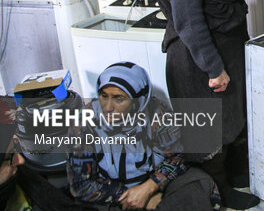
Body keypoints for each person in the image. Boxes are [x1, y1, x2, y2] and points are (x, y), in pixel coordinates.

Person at [156, 0, 259, 210]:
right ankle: (215, 189)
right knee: (206, 132)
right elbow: (187, 18)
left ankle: (231, 177)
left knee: (229, 120)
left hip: (222, 48)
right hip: (197, 58)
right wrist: (214, 68)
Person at [66, 62, 217, 210]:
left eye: (119, 99)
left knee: (200, 183)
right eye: (103, 96)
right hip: (110, 192)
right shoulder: (83, 123)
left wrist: (150, 188)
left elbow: (177, 157)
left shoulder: (158, 114)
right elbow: (81, 185)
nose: (108, 107)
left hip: (153, 184)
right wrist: (133, 197)